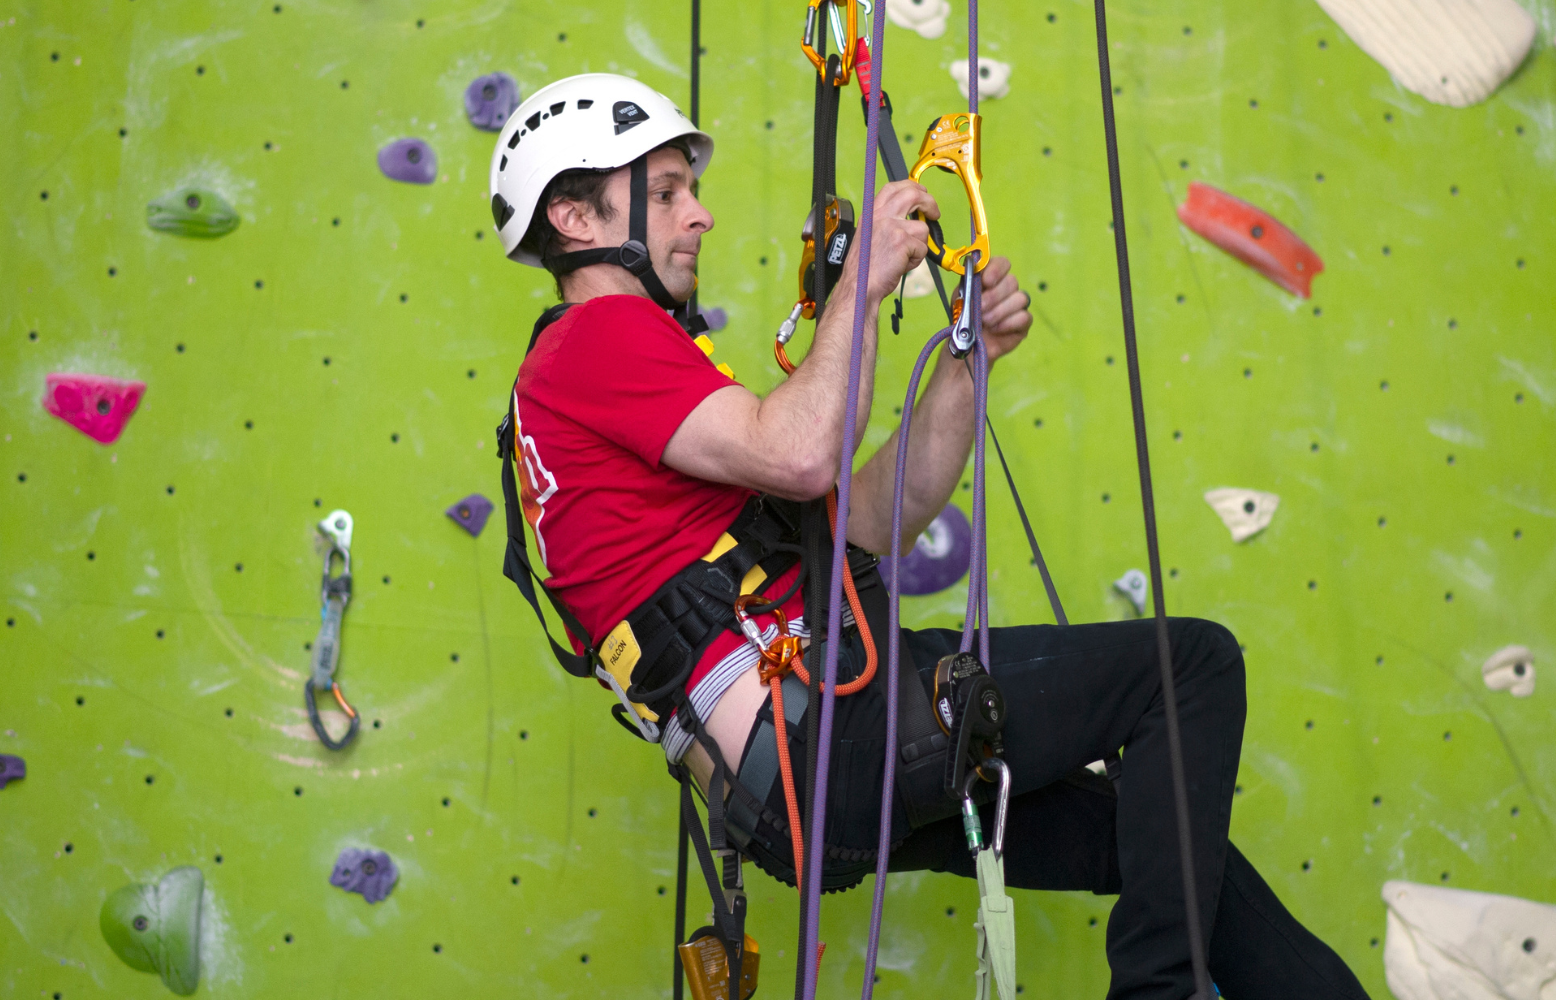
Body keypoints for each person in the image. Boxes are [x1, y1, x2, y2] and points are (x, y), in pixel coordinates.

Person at [488, 73, 1369, 1000]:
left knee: (1158, 839)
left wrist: (965, 362)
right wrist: (861, 284)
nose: (698, 215)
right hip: (827, 727)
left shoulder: (595, 387)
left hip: (797, 765)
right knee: (1189, 667)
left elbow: (868, 521)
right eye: (665, 192)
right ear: (576, 218)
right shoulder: (597, 339)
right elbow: (798, 454)